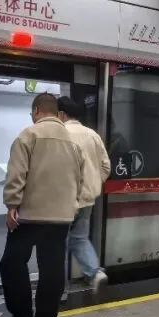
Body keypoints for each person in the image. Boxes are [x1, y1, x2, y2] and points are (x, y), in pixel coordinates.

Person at [0, 92, 85, 317]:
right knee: (52, 267)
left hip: (29, 216)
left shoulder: (28, 135)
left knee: (12, 262)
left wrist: (12, 205)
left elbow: (16, 175)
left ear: (37, 110)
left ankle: (22, 315)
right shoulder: (73, 143)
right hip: (61, 217)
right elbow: (79, 180)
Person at [58, 96, 112, 292]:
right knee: (79, 238)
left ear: (61, 114)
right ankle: (95, 273)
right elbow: (106, 167)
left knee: (58, 244)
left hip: (64, 199)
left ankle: (59, 288)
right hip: (88, 200)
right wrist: (93, 183)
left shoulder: (60, 134)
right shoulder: (92, 134)